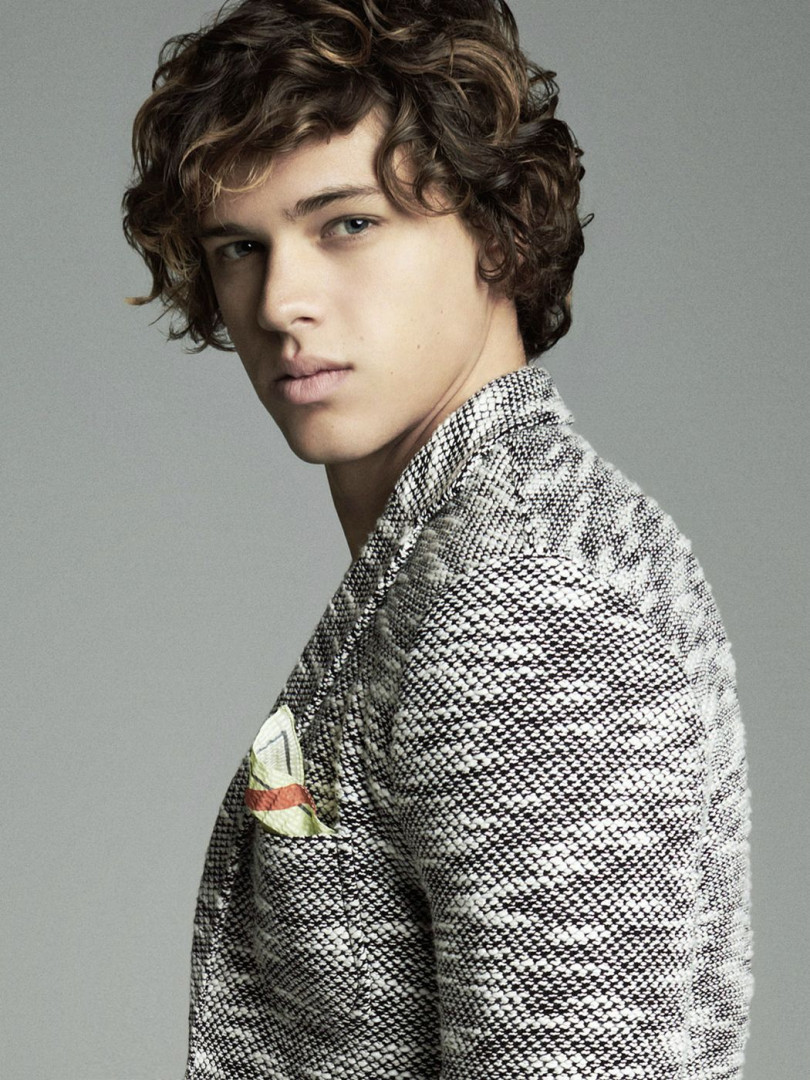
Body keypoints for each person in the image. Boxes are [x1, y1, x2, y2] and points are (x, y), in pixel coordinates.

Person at [122, 1, 754, 1076]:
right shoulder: (472, 549)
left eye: (347, 225)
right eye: (241, 247)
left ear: (497, 233)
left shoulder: (528, 592)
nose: (280, 301)